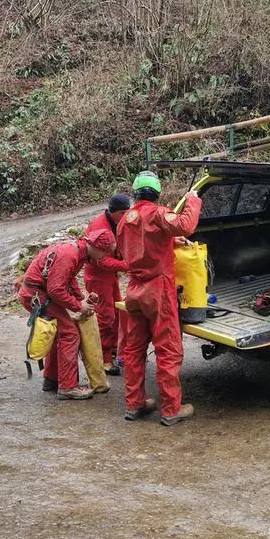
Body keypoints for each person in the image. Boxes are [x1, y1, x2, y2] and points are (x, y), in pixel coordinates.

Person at [116, 171, 202, 425]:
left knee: (134, 349)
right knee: (168, 350)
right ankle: (171, 408)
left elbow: (139, 243)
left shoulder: (125, 219)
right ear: (156, 193)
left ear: (135, 193)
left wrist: (171, 240)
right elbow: (186, 224)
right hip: (158, 289)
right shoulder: (157, 213)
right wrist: (192, 200)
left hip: (134, 289)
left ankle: (135, 404)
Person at [17, 229, 117, 400]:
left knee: (59, 333)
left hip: (39, 293)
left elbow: (68, 280)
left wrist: (82, 299)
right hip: (37, 296)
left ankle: (51, 379)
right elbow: (55, 290)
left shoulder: (78, 252)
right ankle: (68, 386)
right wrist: (79, 306)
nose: (104, 257)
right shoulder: (70, 255)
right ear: (98, 248)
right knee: (70, 334)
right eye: (105, 253)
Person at [84, 194, 131, 376]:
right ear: (113, 212)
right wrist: (126, 265)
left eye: (128, 212)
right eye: (123, 213)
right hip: (97, 278)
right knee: (106, 318)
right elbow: (100, 261)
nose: (126, 216)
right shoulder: (99, 227)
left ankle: (113, 349)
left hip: (110, 276)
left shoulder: (117, 222)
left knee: (119, 314)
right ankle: (104, 359)